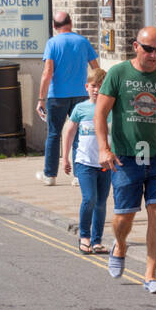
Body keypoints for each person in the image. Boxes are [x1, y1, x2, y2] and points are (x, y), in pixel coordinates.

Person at [95, 25, 156, 294]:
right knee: (124, 216)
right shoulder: (118, 74)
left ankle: (150, 275)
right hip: (126, 157)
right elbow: (100, 113)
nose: (154, 55)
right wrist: (103, 148)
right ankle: (120, 245)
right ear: (136, 46)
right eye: (149, 49)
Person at [35, 11, 98, 186]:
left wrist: (41, 98)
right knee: (79, 133)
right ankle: (79, 176)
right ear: (71, 22)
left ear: (54, 26)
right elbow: (96, 69)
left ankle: (50, 175)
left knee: (54, 134)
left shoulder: (52, 43)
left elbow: (47, 73)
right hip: (81, 94)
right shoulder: (83, 42)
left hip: (57, 96)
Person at [62, 67, 111, 254]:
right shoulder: (80, 108)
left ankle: (97, 240)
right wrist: (65, 157)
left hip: (105, 163)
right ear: (86, 87)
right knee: (89, 198)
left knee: (101, 202)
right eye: (93, 86)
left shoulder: (110, 109)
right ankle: (84, 237)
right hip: (84, 162)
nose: (97, 89)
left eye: (101, 86)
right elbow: (69, 132)